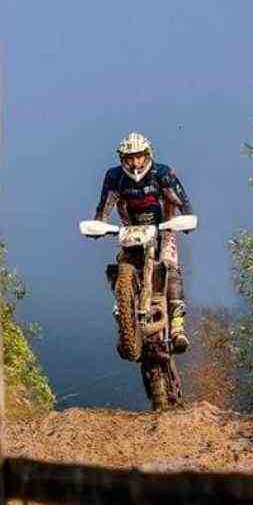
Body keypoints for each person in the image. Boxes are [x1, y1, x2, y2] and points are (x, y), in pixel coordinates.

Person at [93, 132, 192, 353]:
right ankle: (124, 318)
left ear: (148, 155)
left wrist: (187, 219)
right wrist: (98, 225)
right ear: (122, 159)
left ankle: (177, 327)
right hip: (131, 230)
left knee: (170, 265)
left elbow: (183, 202)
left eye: (139, 156)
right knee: (122, 265)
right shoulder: (114, 177)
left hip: (164, 227)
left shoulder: (162, 173)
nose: (135, 162)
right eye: (129, 158)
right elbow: (104, 207)